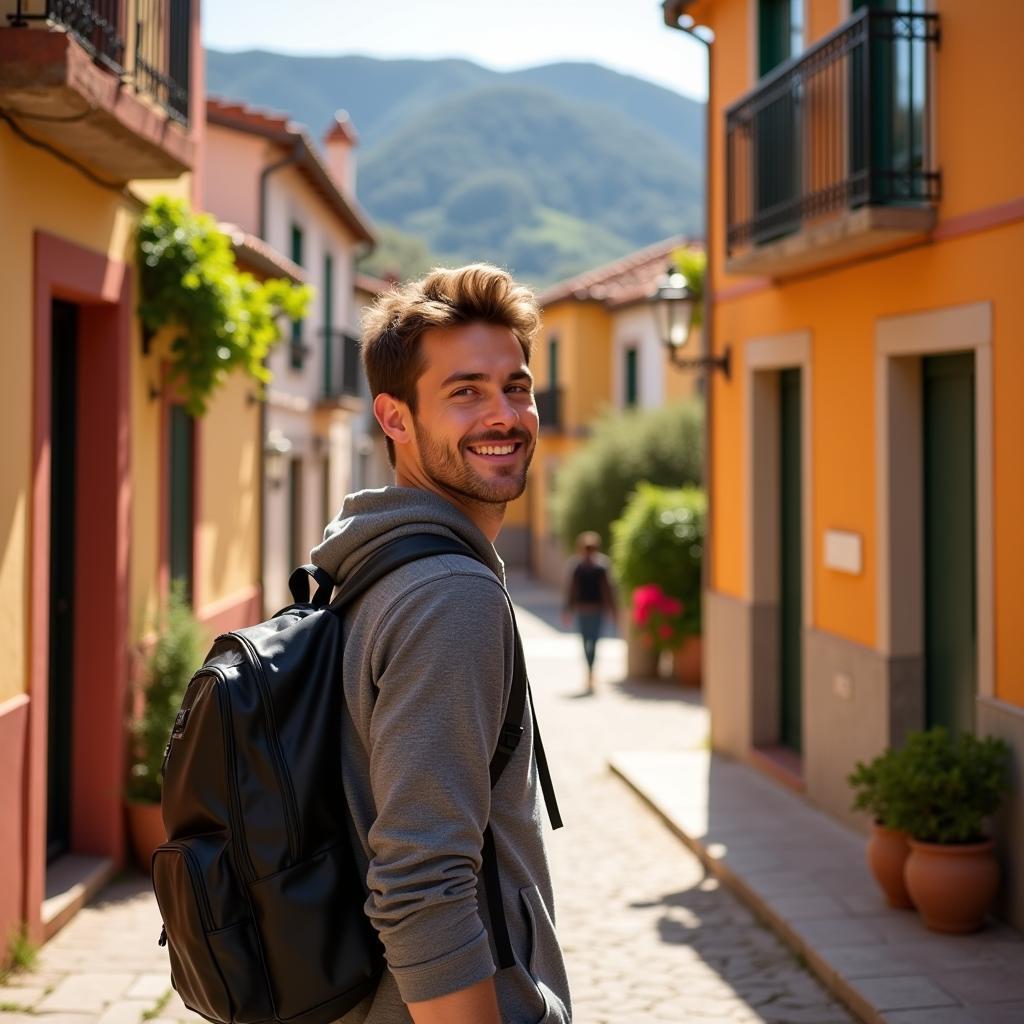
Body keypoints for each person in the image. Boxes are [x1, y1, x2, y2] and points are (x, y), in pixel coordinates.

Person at [310, 265, 571, 1024]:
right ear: (394, 419)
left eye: (515, 387)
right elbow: (422, 881)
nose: (505, 415)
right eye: (466, 392)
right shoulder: (448, 596)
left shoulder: (366, 560)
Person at [562, 532, 617, 694]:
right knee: (585, 641)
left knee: (594, 642)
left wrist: (612, 610)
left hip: (597, 610)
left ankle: (591, 671)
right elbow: (572, 589)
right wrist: (568, 609)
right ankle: (589, 671)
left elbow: (607, 590)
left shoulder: (601, 566)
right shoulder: (577, 567)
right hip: (582, 610)